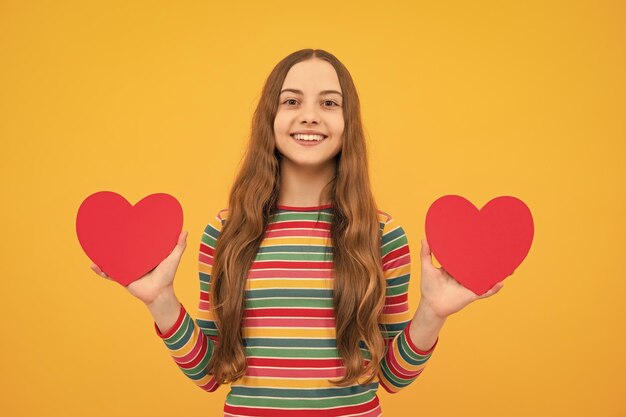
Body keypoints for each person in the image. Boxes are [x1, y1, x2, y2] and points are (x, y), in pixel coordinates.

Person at [91, 48, 506, 416]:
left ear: (348, 122)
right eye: (292, 101)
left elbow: (394, 378)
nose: (309, 115)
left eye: (329, 102)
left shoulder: (383, 234)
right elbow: (209, 373)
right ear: (270, 117)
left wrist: (432, 313)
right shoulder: (225, 233)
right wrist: (160, 301)